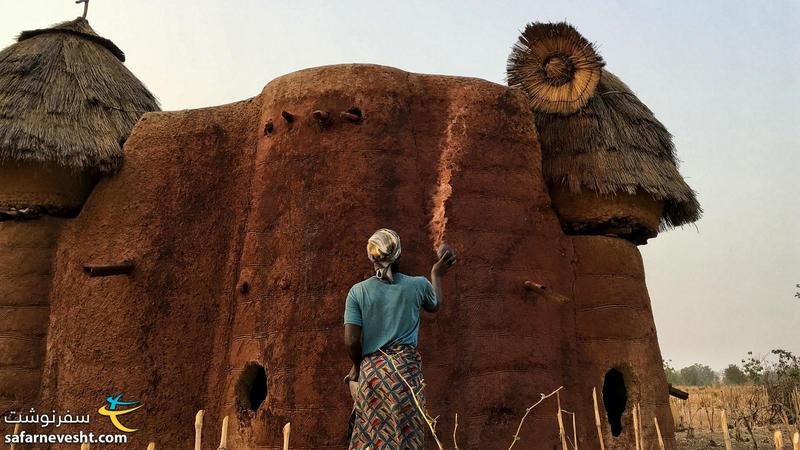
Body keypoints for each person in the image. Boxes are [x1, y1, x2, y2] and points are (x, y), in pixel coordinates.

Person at [344, 228, 455, 450]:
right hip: (405, 374)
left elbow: (351, 341)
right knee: (405, 433)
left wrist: (357, 367)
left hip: (372, 375)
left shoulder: (357, 292)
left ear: (372, 257)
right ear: (399, 255)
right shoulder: (418, 285)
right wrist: (437, 274)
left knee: (372, 434)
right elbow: (435, 305)